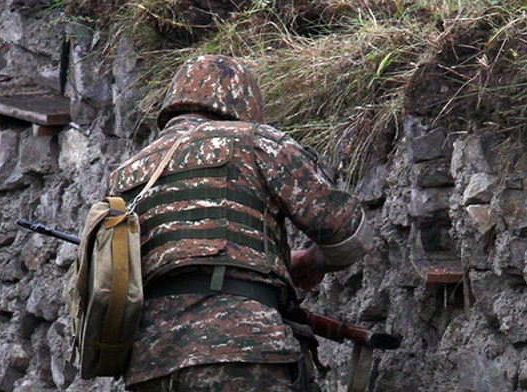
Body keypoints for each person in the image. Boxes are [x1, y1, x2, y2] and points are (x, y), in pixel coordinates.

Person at [107, 54, 373, 392]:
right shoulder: (256, 142)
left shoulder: (125, 176)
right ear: (245, 103)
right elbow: (349, 233)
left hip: (152, 365)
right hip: (245, 350)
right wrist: (311, 261)